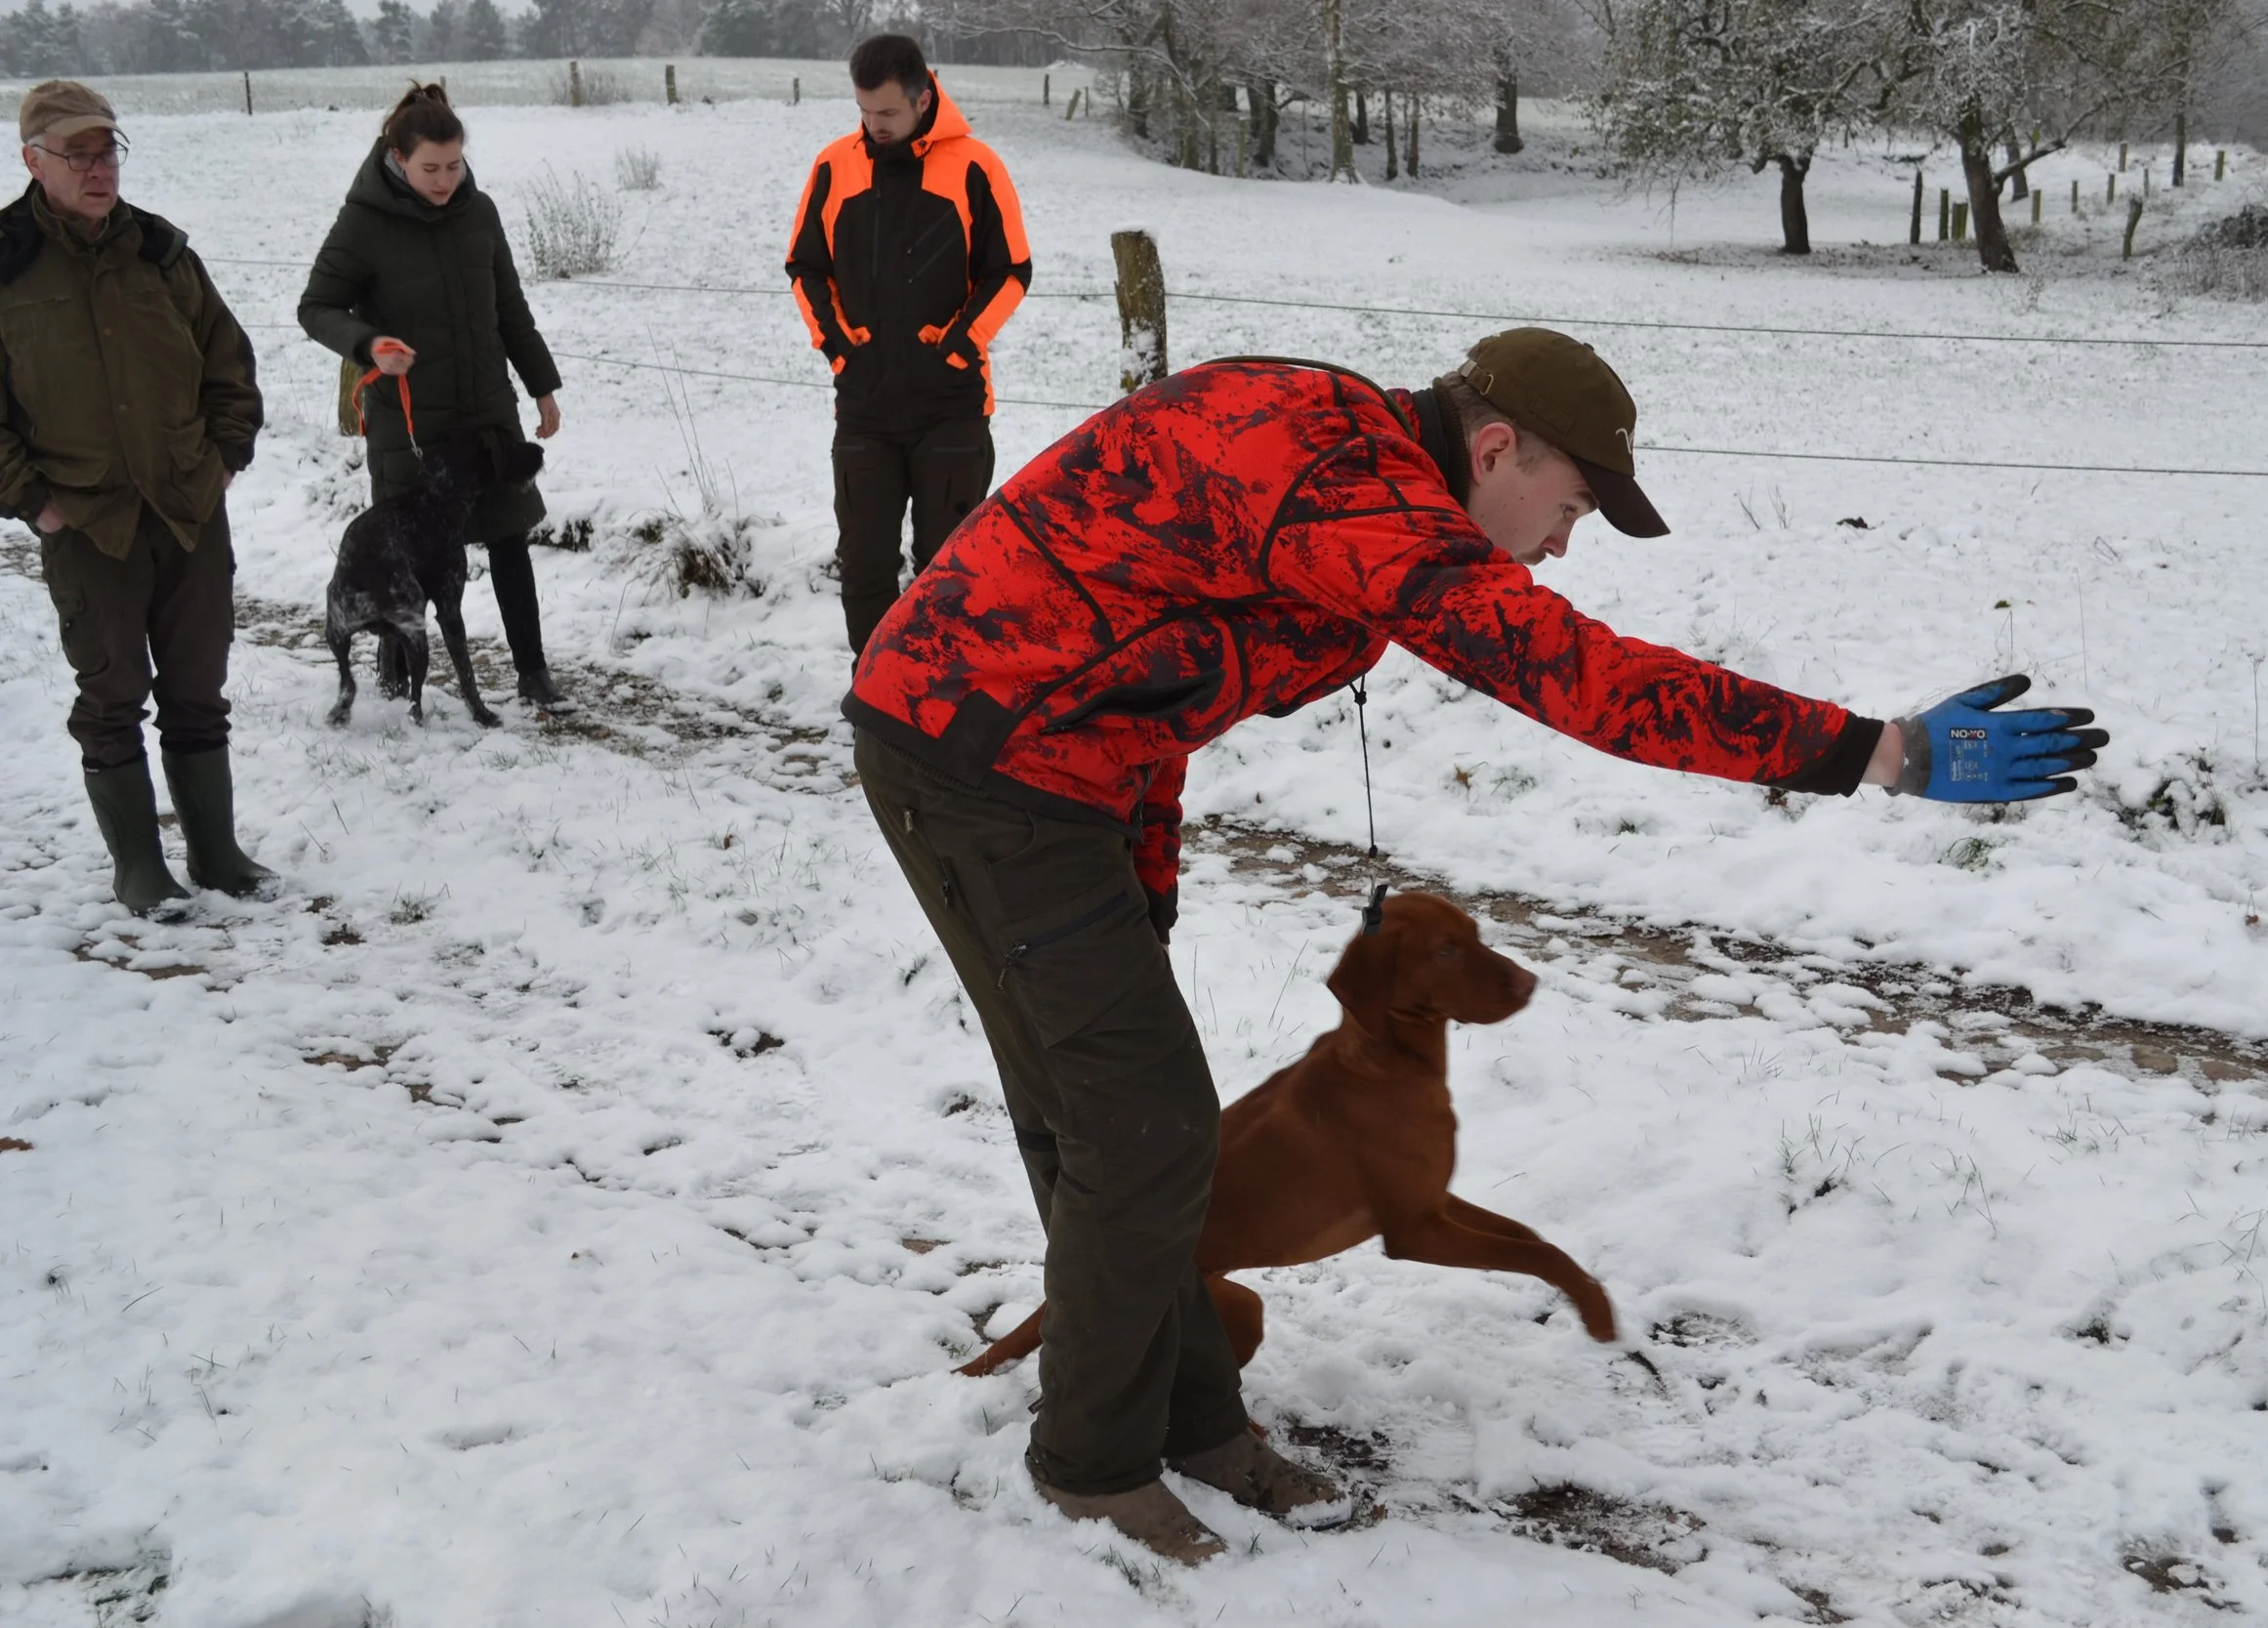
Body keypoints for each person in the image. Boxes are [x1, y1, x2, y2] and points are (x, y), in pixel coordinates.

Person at [845, 328, 2108, 1562]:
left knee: (1125, 1122)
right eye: (1568, 509)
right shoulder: (1350, 485)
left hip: (1055, 766)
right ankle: (1093, 1466)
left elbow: (1148, 663)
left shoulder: (1354, 453)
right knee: (1139, 1126)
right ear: (1497, 449)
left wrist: (1145, 882)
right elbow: (1580, 675)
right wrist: (1875, 750)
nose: (1560, 547)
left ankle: (1193, 1423)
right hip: (979, 759)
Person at [2, 80, 276, 917]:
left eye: (107, 151)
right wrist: (35, 501)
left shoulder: (162, 253)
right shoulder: (6, 265)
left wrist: (222, 461)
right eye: (78, 155)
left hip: (188, 512)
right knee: (112, 693)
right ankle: (139, 868)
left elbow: (229, 366)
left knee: (198, 689)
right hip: (88, 523)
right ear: (33, 161)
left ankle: (216, 853)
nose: (99, 170)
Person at [298, 82, 571, 714]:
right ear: (398, 158)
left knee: (509, 537)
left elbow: (510, 309)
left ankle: (533, 673)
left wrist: (542, 386)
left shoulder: (481, 214)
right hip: (410, 423)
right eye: (431, 169)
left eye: (454, 165)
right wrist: (368, 344)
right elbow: (315, 307)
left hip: (487, 410)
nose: (446, 180)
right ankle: (394, 669)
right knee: (405, 553)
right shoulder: (363, 223)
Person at [786, 33, 1031, 654]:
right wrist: (838, 347)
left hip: (951, 407)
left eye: (888, 112)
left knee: (949, 572)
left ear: (924, 99)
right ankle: (875, 700)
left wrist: (958, 346)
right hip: (864, 408)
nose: (875, 125)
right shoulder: (833, 165)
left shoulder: (976, 166)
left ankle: (943, 699)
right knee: (864, 566)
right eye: (864, 110)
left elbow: (1011, 271)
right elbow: (805, 267)